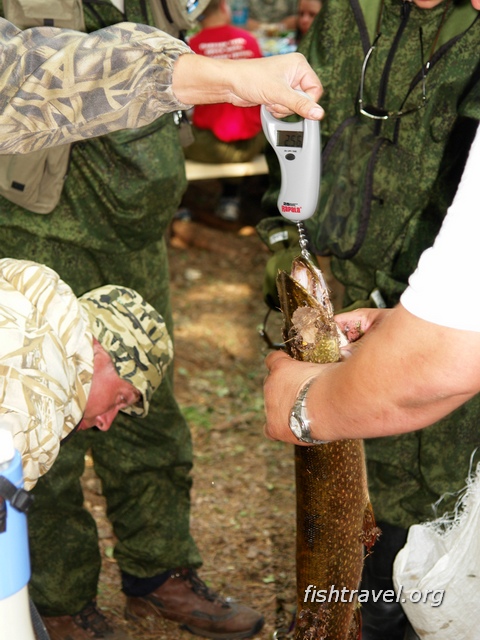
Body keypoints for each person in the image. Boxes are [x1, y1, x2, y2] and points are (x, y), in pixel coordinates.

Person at [0, 5, 323, 640]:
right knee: (43, 404)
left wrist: (226, 72)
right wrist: (221, 78)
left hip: (138, 216)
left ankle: (160, 574)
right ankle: (58, 599)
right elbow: (24, 74)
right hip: (39, 213)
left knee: (140, 396)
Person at [260, 0, 479, 638]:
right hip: (355, 283)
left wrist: (307, 409)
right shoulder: (350, 14)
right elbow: (295, 136)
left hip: (443, 297)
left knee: (443, 476)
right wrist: (285, 239)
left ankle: (418, 608)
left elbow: (442, 363)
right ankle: (360, 605)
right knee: (360, 477)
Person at [1, 258, 171, 491]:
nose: (105, 423)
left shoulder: (15, 291)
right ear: (100, 349)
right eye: (121, 399)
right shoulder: (38, 406)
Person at [185, 0, 265, 220]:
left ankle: (180, 205)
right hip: (251, 145)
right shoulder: (249, 40)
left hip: (209, 149)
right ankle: (231, 197)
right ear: (223, 8)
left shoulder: (192, 47)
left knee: (173, 136)